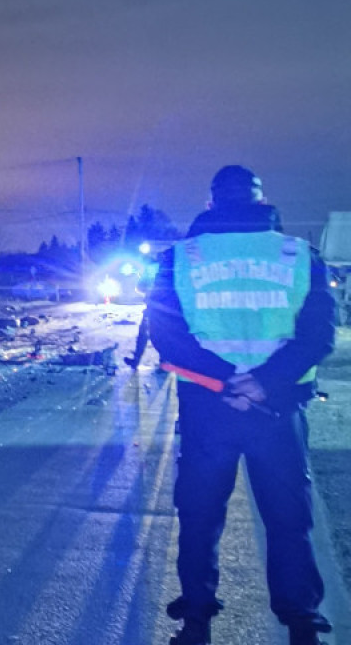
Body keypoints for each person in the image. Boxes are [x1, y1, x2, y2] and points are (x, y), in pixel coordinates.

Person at [149, 165, 336, 645]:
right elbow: (318, 336)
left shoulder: (179, 259)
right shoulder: (300, 255)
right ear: (260, 201)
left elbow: (167, 335)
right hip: (277, 413)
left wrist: (225, 381)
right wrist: (264, 383)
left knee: (199, 517)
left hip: (209, 410)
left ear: (211, 204)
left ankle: (195, 623)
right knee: (289, 520)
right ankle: (303, 627)